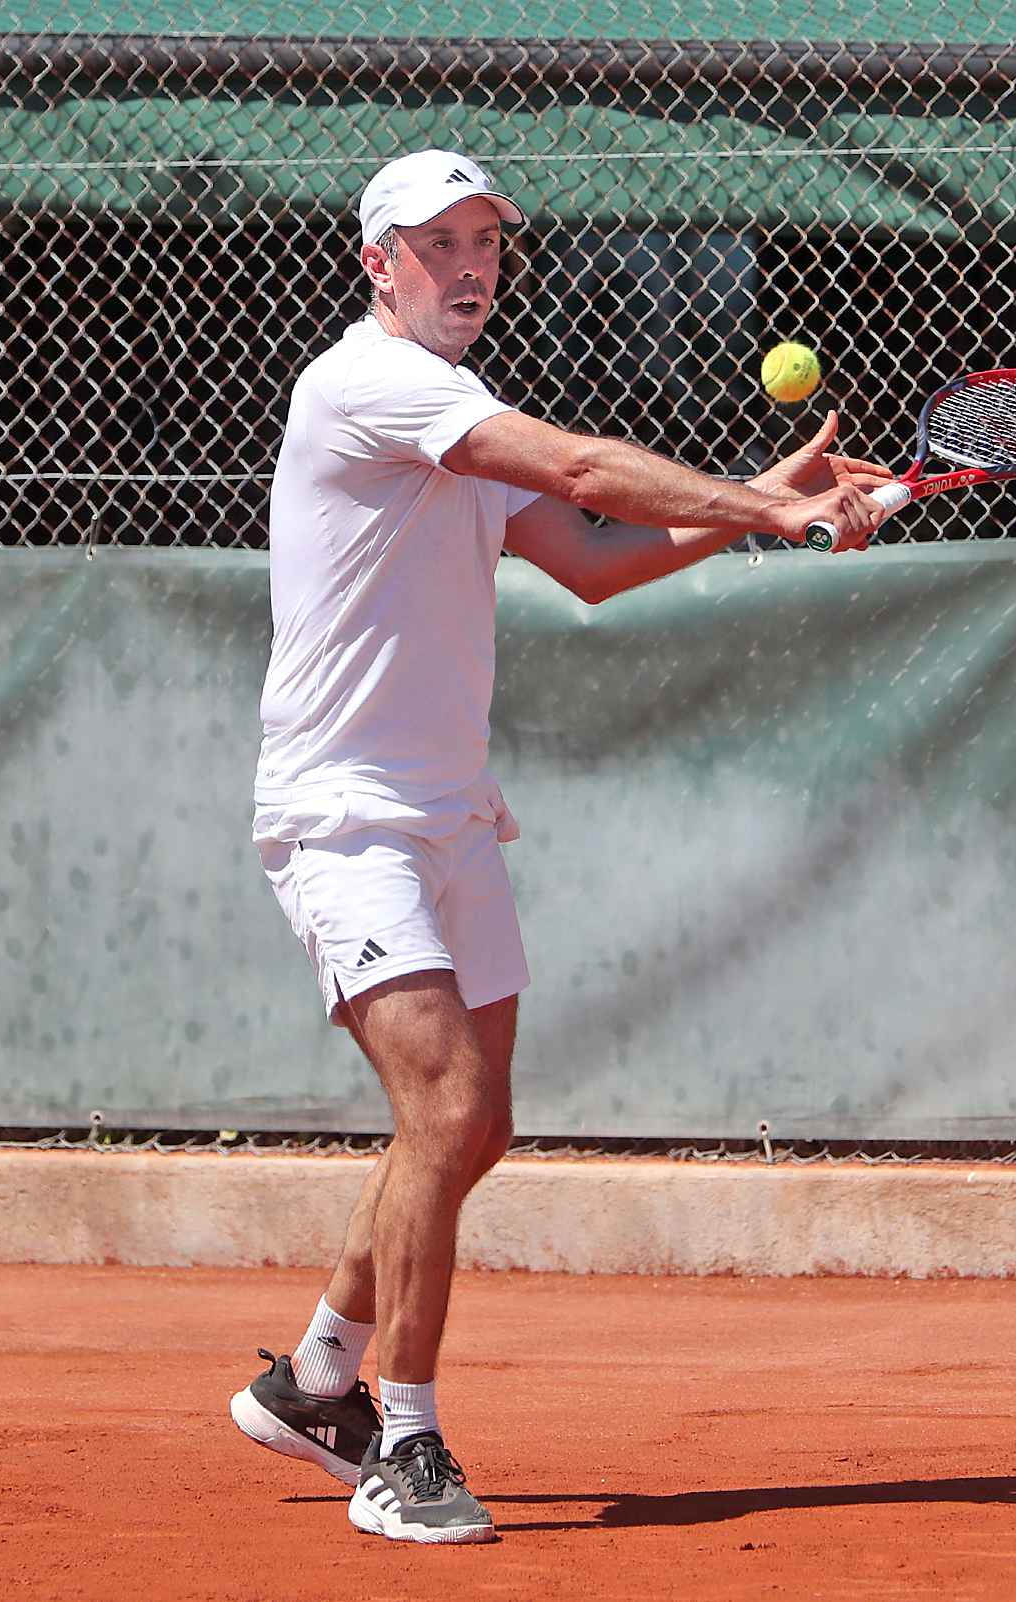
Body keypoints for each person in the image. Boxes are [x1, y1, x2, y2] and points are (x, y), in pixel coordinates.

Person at [229, 147, 890, 1546]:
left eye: (487, 243)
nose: (469, 266)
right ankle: (401, 1446)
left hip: (449, 811)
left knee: (473, 1122)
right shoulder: (368, 384)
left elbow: (588, 552)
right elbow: (587, 464)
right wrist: (767, 505)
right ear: (377, 263)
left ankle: (314, 1378)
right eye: (439, 244)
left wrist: (757, 507)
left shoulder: (450, 417)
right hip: (342, 814)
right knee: (448, 1104)